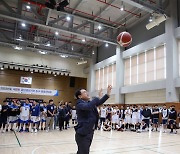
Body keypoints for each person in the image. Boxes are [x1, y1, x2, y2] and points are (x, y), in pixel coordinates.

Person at [74, 85, 112, 154]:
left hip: (89, 132)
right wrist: (98, 97)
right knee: (84, 152)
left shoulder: (88, 103)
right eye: (85, 92)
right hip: (83, 133)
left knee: (83, 152)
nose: (87, 93)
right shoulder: (79, 103)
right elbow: (88, 107)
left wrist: (107, 94)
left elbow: (98, 102)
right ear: (80, 96)